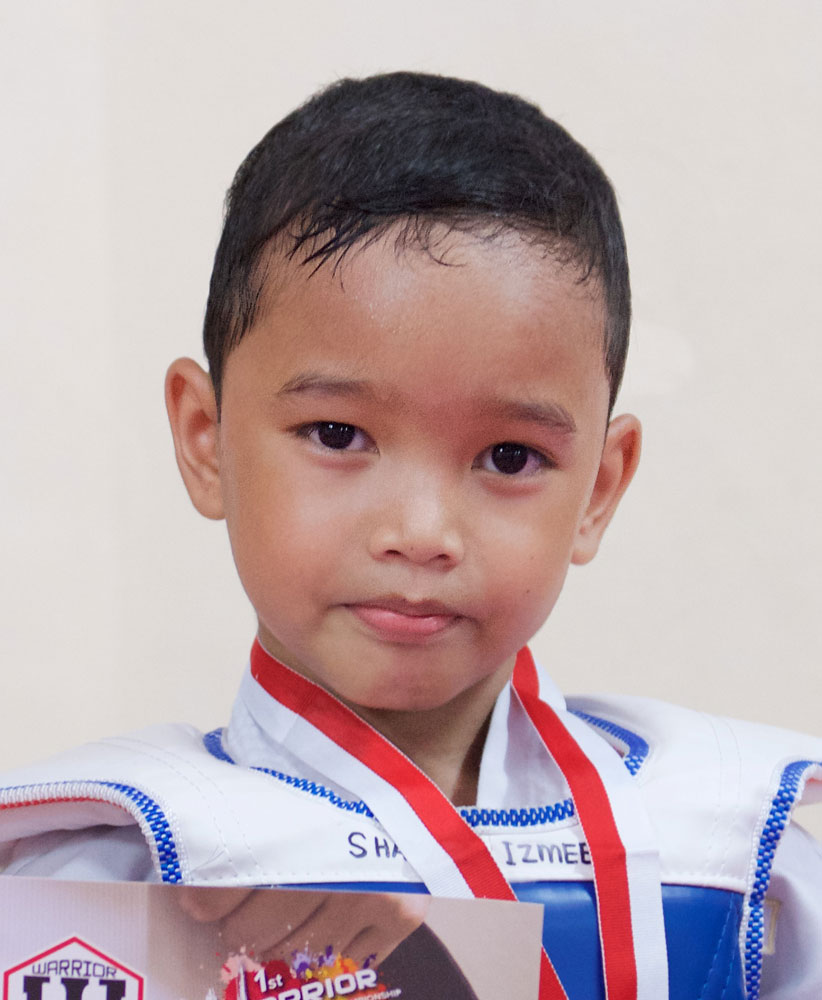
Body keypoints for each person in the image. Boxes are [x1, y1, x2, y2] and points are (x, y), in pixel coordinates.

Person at [1, 72, 820, 1000]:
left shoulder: (738, 851)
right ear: (205, 438)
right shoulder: (113, 874)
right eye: (337, 435)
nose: (422, 533)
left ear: (599, 487)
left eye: (509, 456)